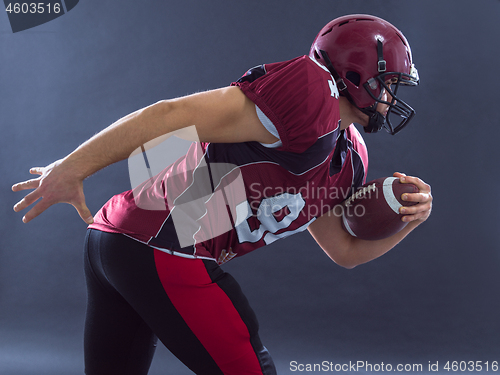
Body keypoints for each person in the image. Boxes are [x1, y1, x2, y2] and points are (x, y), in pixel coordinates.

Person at [12, 14, 432, 375]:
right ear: (356, 76)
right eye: (389, 83)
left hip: (117, 241)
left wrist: (409, 220)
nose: (392, 98)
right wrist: (73, 167)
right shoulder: (310, 95)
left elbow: (343, 250)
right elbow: (169, 115)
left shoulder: (350, 156)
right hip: (164, 251)